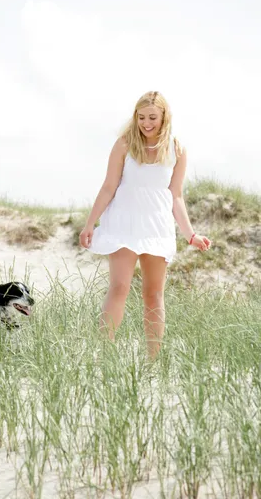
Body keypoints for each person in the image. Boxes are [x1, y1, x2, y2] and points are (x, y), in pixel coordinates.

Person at [79, 91, 211, 359]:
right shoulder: (125, 144)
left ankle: (153, 361)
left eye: (152, 117)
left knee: (153, 295)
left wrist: (191, 234)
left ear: (164, 116)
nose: (146, 123)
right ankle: (105, 356)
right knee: (119, 288)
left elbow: (176, 195)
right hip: (123, 225)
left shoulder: (177, 149)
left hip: (156, 228)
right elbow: (108, 187)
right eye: (141, 117)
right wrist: (90, 224)